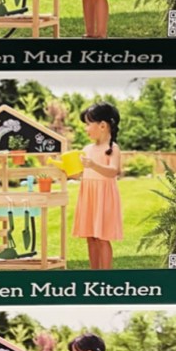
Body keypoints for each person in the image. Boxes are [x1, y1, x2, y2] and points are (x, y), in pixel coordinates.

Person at [73, 101, 122, 269]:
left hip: (103, 195)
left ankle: (105, 275)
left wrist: (93, 165)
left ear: (102, 125)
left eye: (88, 124)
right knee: (90, 237)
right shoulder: (87, 148)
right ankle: (94, 272)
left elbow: (113, 171)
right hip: (89, 194)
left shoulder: (113, 148)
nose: (85, 129)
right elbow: (82, 173)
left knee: (102, 237)